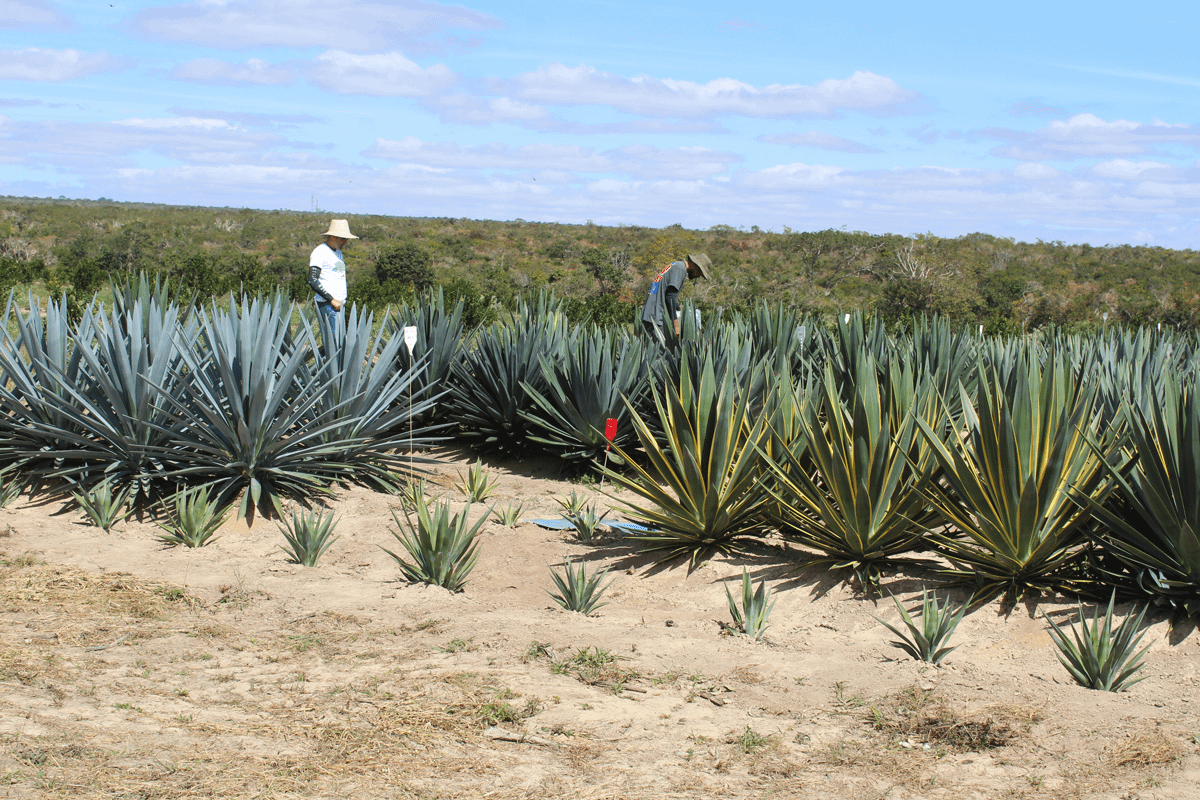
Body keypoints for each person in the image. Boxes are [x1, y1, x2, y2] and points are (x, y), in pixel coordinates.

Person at [640, 252, 712, 342]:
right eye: (700, 273)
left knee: (650, 351)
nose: (698, 276)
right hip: (657, 316)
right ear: (696, 266)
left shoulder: (675, 265)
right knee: (661, 352)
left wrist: (677, 306)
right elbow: (670, 297)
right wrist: (676, 323)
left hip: (650, 313)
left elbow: (665, 293)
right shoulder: (680, 269)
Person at [308, 219, 357, 325]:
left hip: (339, 304)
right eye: (343, 239)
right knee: (332, 340)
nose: (346, 242)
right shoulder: (320, 252)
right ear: (333, 236)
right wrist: (332, 300)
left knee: (338, 340)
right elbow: (313, 279)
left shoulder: (338, 253)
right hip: (328, 305)